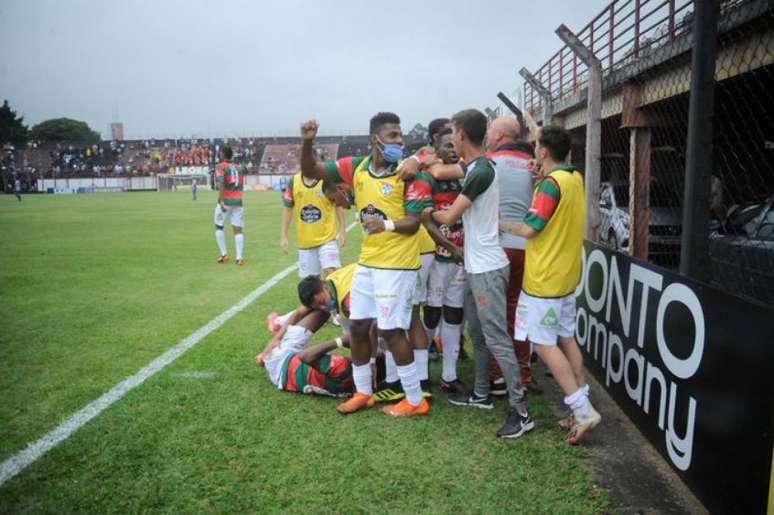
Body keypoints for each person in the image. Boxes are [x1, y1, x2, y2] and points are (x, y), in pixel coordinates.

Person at [299, 113, 433, 417]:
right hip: (368, 264)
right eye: (394, 136)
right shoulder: (356, 166)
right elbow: (311, 169)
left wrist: (384, 225)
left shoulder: (410, 173)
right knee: (359, 326)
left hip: (397, 266)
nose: (401, 142)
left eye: (401, 136)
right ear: (376, 139)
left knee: (390, 330)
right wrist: (307, 142)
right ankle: (363, 393)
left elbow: (413, 223)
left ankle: (415, 399)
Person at [423, 109, 532, 439]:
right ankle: (482, 394)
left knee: (498, 339)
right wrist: (424, 161)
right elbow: (441, 169)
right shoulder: (474, 166)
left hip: (487, 268)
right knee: (479, 333)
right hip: (475, 265)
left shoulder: (482, 170)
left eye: (453, 132)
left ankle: (520, 412)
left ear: (462, 135)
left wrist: (426, 213)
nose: (451, 138)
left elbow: (448, 216)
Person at [500, 125, 602, 444]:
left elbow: (531, 229)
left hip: (544, 279)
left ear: (543, 151)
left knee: (544, 344)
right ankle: (580, 406)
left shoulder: (549, 185)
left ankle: (583, 410)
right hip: (567, 276)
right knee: (566, 338)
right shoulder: (573, 178)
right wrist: (541, 172)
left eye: (536, 149)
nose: (533, 153)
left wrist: (498, 222)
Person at [486, 116, 540, 396]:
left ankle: (499, 375)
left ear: (499, 136)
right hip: (529, 247)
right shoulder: (535, 164)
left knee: (496, 313)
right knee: (520, 311)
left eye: (490, 131)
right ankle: (524, 371)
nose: (487, 135)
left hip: (499, 246)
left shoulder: (489, 161)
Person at [422, 128, 466, 395]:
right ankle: (422, 371)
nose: (451, 149)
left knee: (455, 315)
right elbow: (426, 220)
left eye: (454, 144)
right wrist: (450, 245)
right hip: (437, 259)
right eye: (446, 145)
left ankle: (449, 375)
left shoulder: (466, 175)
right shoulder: (428, 177)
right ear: (435, 149)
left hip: (460, 259)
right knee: (431, 314)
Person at [281, 173, 346, 279]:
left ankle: (331, 293)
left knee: (331, 274)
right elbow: (288, 209)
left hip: (327, 239)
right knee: (312, 282)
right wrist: (284, 236)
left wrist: (342, 230)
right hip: (306, 243)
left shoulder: (326, 179)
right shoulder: (293, 181)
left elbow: (338, 205)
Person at [213, 146, 246, 265]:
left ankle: (224, 254)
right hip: (238, 202)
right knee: (238, 230)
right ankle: (239, 258)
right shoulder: (239, 167)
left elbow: (221, 183)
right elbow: (242, 180)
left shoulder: (220, 166)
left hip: (226, 201)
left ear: (222, 153)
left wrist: (221, 200)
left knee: (218, 226)